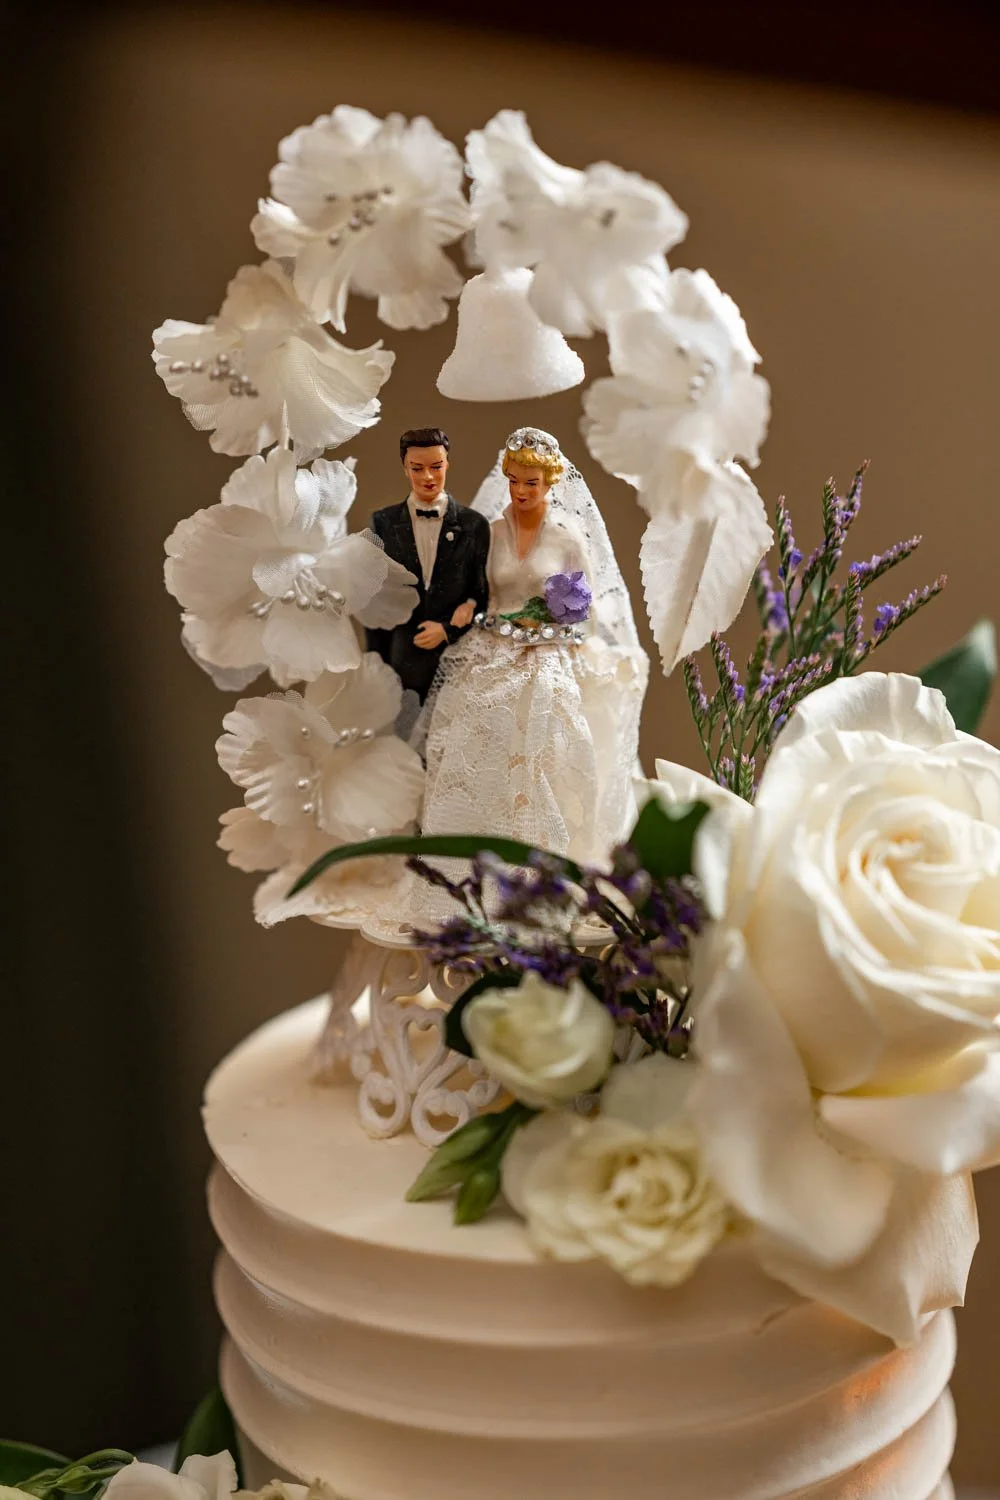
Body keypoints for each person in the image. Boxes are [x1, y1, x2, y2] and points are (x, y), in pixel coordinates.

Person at [371, 427, 648, 938]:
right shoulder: (489, 533)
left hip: (545, 654)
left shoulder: (568, 540)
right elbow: (476, 593)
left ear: (550, 482)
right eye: (515, 481)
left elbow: (585, 611)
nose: (522, 491)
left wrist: (550, 625)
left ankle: (551, 871)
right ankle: (474, 873)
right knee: (472, 725)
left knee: (550, 716)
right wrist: (464, 618)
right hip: (490, 646)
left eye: (533, 483)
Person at [365, 428, 490, 704]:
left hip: (459, 664)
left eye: (436, 467)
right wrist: (378, 667)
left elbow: (484, 596)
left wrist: (448, 629)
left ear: (447, 464)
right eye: (417, 468)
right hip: (402, 662)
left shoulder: (474, 526)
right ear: (404, 469)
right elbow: (374, 601)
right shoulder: (383, 523)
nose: (428, 477)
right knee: (404, 739)